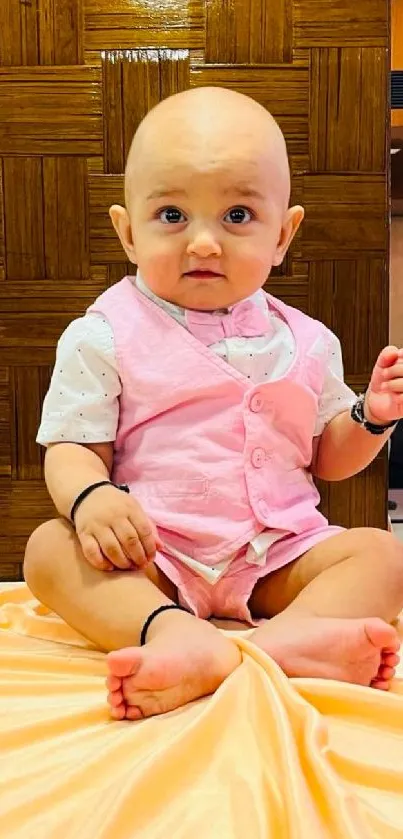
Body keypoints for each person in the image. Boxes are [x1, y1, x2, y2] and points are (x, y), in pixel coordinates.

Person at [24, 87, 403, 722]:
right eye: (172, 215)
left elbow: (328, 460)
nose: (203, 243)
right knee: (47, 550)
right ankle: (168, 631)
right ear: (127, 232)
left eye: (236, 216)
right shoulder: (103, 333)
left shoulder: (309, 341)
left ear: (283, 235)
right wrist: (93, 501)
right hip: (154, 557)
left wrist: (371, 418)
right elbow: (70, 448)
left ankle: (292, 637)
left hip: (278, 556)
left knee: (385, 556)